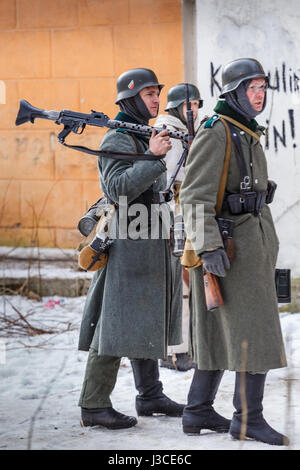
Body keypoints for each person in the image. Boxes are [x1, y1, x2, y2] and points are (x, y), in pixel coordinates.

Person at [179, 58, 289, 445]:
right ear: (234, 93)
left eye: (262, 87)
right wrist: (208, 246)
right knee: (252, 333)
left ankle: (197, 411)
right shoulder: (217, 131)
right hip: (227, 247)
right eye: (252, 88)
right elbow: (193, 196)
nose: (259, 95)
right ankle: (247, 418)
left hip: (248, 241)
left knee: (220, 331)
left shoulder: (244, 130)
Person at [77, 68, 184, 430]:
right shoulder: (119, 138)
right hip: (126, 246)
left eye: (157, 94)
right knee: (115, 324)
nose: (156, 100)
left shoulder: (140, 133)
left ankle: (150, 394)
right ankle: (93, 404)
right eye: (149, 94)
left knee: (145, 316)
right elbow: (117, 192)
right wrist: (154, 157)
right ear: (130, 98)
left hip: (148, 240)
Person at [154, 83, 203, 371]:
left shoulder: (184, 131)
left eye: (197, 104)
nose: (194, 109)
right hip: (175, 215)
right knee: (179, 283)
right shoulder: (169, 133)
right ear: (176, 107)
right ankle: (176, 351)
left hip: (184, 211)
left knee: (184, 281)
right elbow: (167, 181)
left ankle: (180, 347)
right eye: (190, 105)